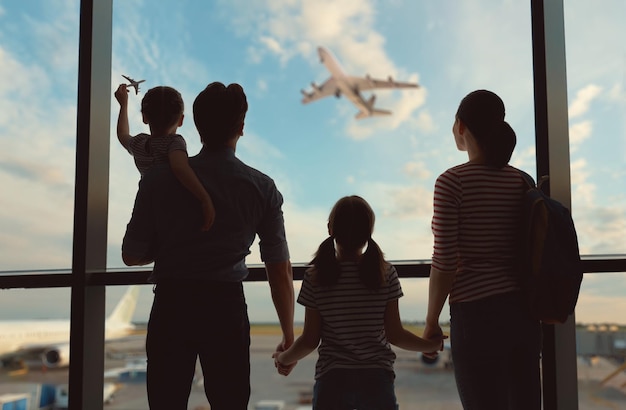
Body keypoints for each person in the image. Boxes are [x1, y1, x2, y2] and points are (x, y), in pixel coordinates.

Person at [121, 82, 295, 410]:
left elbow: (131, 255)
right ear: (241, 128)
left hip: (171, 305)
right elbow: (279, 269)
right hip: (225, 308)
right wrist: (288, 333)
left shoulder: (157, 180)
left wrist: (172, 246)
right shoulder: (262, 188)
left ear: (196, 126)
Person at [423, 90, 542, 409]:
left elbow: (444, 261)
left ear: (460, 127)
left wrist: (432, 321)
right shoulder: (522, 181)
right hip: (523, 315)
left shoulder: (451, 182)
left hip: (477, 317)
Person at [273, 195, 445, 410]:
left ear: (330, 228)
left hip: (332, 380)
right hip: (376, 380)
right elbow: (396, 335)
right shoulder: (386, 273)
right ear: (369, 233)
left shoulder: (315, 276)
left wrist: (284, 358)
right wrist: (430, 345)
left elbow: (309, 340)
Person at [114, 83, 215, 231]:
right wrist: (205, 198)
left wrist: (123, 104)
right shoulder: (174, 142)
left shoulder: (139, 144)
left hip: (148, 209)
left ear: (144, 117)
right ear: (181, 120)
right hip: (170, 212)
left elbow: (122, 134)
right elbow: (179, 167)